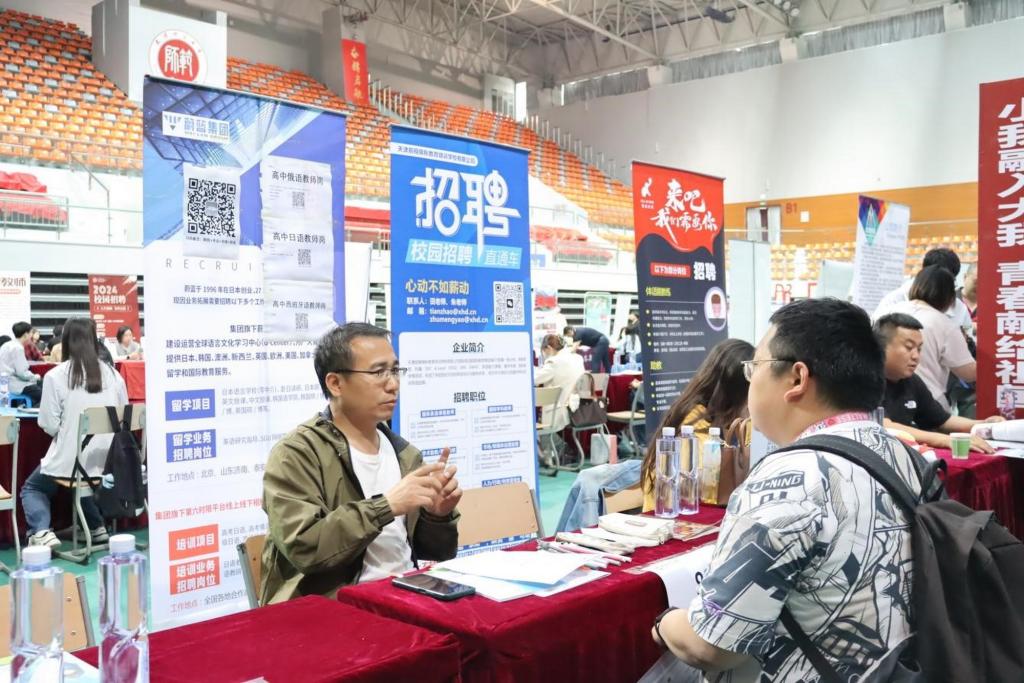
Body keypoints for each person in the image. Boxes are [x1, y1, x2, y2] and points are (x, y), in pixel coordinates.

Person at [653, 298, 922, 681]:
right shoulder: (905, 457)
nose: (751, 381)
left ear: (796, 379)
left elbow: (712, 646)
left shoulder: (791, 477)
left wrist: (665, 622)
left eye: (755, 367)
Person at [260, 323, 461, 604]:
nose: (393, 384)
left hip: (407, 596)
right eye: (378, 372)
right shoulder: (297, 453)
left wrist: (436, 516)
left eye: (395, 370)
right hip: (335, 609)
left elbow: (437, 552)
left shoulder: (404, 454)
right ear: (335, 383)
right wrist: (386, 506)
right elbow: (305, 547)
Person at [22, 317, 126, 548]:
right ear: (94, 340)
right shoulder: (114, 375)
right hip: (108, 461)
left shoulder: (55, 376)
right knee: (82, 478)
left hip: (73, 460)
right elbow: (123, 416)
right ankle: (96, 527)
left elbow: (48, 424)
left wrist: (68, 432)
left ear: (66, 341)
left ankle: (41, 532)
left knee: (33, 487)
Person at [640, 339, 753, 512]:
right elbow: (700, 490)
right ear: (737, 392)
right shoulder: (694, 428)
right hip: (673, 518)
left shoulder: (714, 418)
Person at [875, 313, 1000, 453]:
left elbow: (942, 420)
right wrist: (945, 440)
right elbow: (884, 426)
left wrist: (986, 425)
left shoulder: (911, 381)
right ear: (881, 347)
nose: (916, 356)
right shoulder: (865, 380)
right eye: (909, 347)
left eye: (919, 349)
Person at [888, 265, 975, 412]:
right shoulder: (945, 324)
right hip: (928, 404)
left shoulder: (888, 311)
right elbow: (969, 373)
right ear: (949, 296)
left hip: (887, 400)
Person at [873, 247, 974, 336]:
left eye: (950, 281)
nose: (945, 288)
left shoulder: (959, 308)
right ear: (926, 273)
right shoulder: (893, 302)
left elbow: (969, 342)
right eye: (940, 282)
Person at [534, 333, 586, 467]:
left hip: (559, 410)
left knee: (539, 422)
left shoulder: (554, 362)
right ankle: (560, 450)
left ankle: (556, 450)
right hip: (578, 408)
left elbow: (534, 379)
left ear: (549, 348)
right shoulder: (578, 358)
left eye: (544, 351)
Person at [0, 322, 42, 405]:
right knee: (44, 393)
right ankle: (29, 410)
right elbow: (22, 373)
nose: (32, 336)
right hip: (14, 384)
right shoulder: (18, 348)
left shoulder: (6, 345)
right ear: (26, 334)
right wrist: (35, 376)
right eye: (31, 333)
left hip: (4, 382)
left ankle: (25, 405)